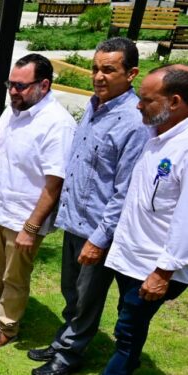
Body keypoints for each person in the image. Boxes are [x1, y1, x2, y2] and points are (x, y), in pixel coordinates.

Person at [28, 38, 151, 375]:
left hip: (99, 231)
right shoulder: (95, 107)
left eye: (109, 70)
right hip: (74, 221)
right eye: (96, 68)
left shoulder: (134, 122)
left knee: (87, 300)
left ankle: (68, 356)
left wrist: (100, 238)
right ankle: (63, 341)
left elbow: (124, 190)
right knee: (71, 292)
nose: (98, 76)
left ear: (131, 73)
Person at [0, 54, 75, 349]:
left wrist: (32, 228)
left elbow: (54, 183)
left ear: (44, 85)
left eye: (21, 86)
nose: (12, 91)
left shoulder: (57, 124)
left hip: (25, 217)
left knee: (16, 275)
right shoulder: (13, 111)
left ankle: (7, 327)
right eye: (11, 84)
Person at [100, 66, 188, 374]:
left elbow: (185, 220)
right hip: (131, 258)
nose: (138, 105)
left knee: (126, 334)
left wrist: (163, 272)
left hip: (155, 265)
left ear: (175, 101)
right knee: (126, 323)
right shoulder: (156, 135)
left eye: (147, 100)